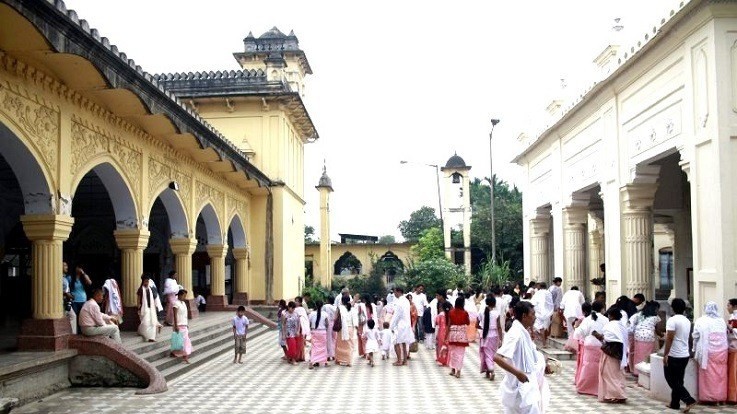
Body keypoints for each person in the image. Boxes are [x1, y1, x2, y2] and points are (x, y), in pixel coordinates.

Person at [494, 301, 545, 413]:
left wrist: (545, 365)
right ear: (524, 316)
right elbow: (497, 357)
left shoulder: (523, 332)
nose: (535, 317)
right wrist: (517, 373)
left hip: (527, 385)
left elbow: (532, 354)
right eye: (532, 314)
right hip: (520, 388)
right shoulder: (515, 332)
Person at [663, 298, 697, 412]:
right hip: (684, 354)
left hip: (674, 354)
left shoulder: (672, 320)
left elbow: (669, 338)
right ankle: (674, 403)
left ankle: (689, 399)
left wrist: (665, 354)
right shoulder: (687, 321)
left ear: (673, 308)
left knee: (671, 380)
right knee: (678, 380)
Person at [692, 301, 728, 403]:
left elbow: (695, 336)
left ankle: (708, 397)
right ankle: (720, 397)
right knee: (720, 375)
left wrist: (693, 349)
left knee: (708, 375)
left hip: (708, 353)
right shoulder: (721, 321)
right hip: (722, 352)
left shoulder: (701, 321)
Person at [592, 306, 627, 404]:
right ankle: (619, 393)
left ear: (611, 316)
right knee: (617, 374)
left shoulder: (610, 325)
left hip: (611, 353)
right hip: (620, 353)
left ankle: (616, 395)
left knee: (609, 374)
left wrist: (598, 336)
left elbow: (608, 339)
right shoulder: (622, 325)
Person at [574, 301, 606, 395]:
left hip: (589, 345)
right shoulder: (605, 319)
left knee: (587, 366)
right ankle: (599, 388)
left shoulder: (587, 319)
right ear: (602, 309)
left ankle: (585, 387)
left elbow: (579, 333)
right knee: (600, 367)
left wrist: (583, 338)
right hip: (601, 346)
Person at [628, 301, 662, 375]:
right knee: (647, 355)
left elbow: (632, 324)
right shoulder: (656, 317)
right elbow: (658, 330)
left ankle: (637, 372)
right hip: (649, 337)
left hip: (638, 336)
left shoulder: (639, 315)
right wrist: (663, 335)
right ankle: (647, 372)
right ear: (655, 309)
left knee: (638, 354)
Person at [478, 295, 502, 380]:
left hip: (484, 335)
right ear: (494, 304)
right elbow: (499, 327)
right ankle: (488, 371)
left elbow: (477, 325)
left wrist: (484, 328)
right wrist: (501, 339)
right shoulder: (496, 313)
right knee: (491, 354)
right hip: (494, 335)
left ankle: (491, 370)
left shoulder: (481, 313)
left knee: (486, 354)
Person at [447, 296, 470, 378]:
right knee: (460, 353)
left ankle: (453, 369)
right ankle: (458, 371)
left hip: (452, 334)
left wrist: (446, 336)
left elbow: (449, 324)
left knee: (452, 353)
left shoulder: (451, 312)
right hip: (461, 335)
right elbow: (468, 323)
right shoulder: (465, 313)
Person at [390, 287, 414, 366]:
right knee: (404, 343)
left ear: (398, 292)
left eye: (395, 292)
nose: (394, 294)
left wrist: (392, 326)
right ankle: (405, 361)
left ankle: (399, 360)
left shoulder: (399, 302)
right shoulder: (406, 300)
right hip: (407, 324)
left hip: (400, 325)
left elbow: (397, 315)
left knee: (396, 342)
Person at [137, 274, 162, 342]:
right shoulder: (140, 289)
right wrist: (138, 307)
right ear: (143, 281)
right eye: (145, 281)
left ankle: (151, 337)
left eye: (147, 281)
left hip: (151, 308)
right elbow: (138, 300)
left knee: (153, 322)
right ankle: (141, 332)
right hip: (144, 308)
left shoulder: (150, 289)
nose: (146, 283)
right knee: (145, 323)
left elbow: (154, 298)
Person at [560, 286, 585, 351]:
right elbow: (583, 303)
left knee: (569, 327)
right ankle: (575, 342)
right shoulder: (579, 293)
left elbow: (562, 303)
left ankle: (570, 342)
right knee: (577, 327)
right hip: (577, 311)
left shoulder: (567, 293)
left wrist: (561, 309)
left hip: (568, 311)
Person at [67, 264, 92, 329]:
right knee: (74, 317)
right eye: (78, 267)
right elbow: (65, 288)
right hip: (74, 300)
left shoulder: (83, 277)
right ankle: (74, 331)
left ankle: (82, 331)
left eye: (80, 267)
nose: (79, 269)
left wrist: (83, 273)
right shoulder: (70, 278)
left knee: (83, 316)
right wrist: (69, 294)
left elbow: (89, 283)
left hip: (83, 300)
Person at [335, 295, 357, 366]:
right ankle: (349, 361)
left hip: (341, 328)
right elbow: (355, 320)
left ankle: (338, 359)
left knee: (340, 344)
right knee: (349, 345)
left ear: (341, 301)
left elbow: (335, 318)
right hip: (350, 328)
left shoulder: (339, 308)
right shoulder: (352, 308)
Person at [172, 289, 193, 363]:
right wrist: (176, 325)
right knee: (180, 341)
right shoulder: (175, 304)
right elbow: (174, 315)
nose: (184, 297)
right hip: (179, 324)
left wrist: (186, 324)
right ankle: (182, 355)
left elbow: (185, 315)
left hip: (184, 324)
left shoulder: (183, 303)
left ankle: (185, 356)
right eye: (184, 295)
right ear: (180, 295)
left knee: (185, 341)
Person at [531, 282, 554, 347]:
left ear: (540, 287)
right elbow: (550, 303)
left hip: (539, 313)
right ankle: (544, 342)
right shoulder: (548, 293)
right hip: (547, 313)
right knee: (545, 328)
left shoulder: (537, 293)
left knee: (540, 328)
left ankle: (542, 342)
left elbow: (533, 302)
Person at [308, 300, 329, 369]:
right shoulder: (325, 314)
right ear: (322, 305)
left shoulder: (311, 314)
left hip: (314, 332)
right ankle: (325, 362)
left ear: (315, 305)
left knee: (314, 347)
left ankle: (312, 362)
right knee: (323, 347)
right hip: (322, 332)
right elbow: (327, 324)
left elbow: (309, 323)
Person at [727, 298, 737, 404]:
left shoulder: (735, 316)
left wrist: (729, 328)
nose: (727, 307)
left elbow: (735, 331)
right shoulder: (732, 316)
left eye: (728, 305)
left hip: (735, 346)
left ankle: (733, 396)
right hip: (732, 346)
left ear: (734, 306)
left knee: (733, 372)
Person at [62, 262, 77, 334]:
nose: (66, 267)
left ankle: (72, 334)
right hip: (62, 302)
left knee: (72, 316)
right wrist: (66, 294)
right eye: (64, 265)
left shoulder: (64, 278)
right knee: (68, 317)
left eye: (66, 265)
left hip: (66, 301)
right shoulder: (58, 277)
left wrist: (69, 295)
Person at [294, 296, 310, 362]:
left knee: (300, 342)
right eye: (295, 301)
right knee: (296, 342)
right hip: (294, 328)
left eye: (297, 301)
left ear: (300, 303)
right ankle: (297, 356)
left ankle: (300, 356)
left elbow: (304, 318)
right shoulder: (294, 309)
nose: (296, 302)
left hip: (300, 327)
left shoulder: (301, 309)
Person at [436, 301, 451, 366]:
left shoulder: (440, 315)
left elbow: (437, 323)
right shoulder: (450, 314)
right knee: (448, 347)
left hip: (441, 332)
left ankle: (442, 359)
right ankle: (447, 360)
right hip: (449, 332)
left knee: (441, 346)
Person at [324, 296, 337, 361]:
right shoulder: (335, 307)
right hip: (334, 324)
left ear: (328, 300)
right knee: (334, 339)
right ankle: (334, 355)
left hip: (328, 324)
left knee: (328, 339)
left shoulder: (326, 306)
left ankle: (328, 355)